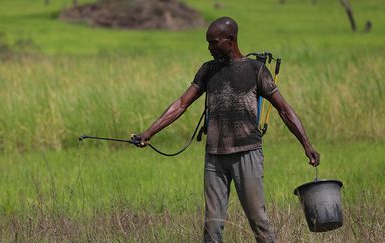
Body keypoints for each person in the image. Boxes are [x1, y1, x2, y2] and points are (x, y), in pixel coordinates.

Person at [134, 16, 320, 243]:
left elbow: (284, 110)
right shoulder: (208, 70)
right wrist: (149, 132)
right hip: (215, 158)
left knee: (258, 220)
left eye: (214, 42)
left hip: (247, 153)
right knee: (212, 226)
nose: (209, 48)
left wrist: (307, 145)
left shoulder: (255, 70)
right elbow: (181, 104)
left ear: (230, 40)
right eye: (208, 43)